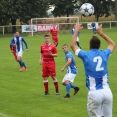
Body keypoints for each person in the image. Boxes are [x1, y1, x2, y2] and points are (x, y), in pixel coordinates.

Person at [71, 24, 116, 117]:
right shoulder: (104, 54)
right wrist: (101, 33)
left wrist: (76, 31)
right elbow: (113, 44)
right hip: (107, 92)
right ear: (99, 45)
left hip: (94, 93)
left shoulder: (86, 55)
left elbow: (72, 45)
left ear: (90, 45)